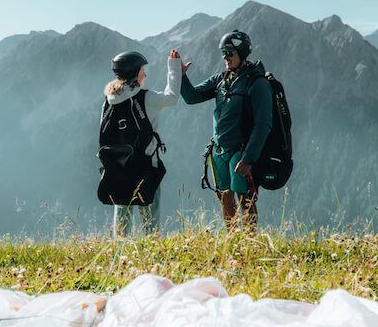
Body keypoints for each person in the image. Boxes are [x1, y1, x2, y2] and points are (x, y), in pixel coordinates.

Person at [179, 30, 272, 230]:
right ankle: (231, 240)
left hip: (241, 151)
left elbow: (263, 124)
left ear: (242, 53)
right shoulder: (221, 80)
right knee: (224, 195)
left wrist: (248, 158)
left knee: (245, 197)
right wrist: (181, 76)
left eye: (230, 53)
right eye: (223, 53)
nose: (225, 58)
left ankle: (250, 244)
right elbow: (192, 97)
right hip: (220, 149)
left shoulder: (257, 83)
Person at [103, 49, 182, 236]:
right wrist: (174, 67)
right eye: (141, 70)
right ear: (134, 73)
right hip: (146, 165)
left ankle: (119, 252)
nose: (145, 73)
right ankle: (151, 250)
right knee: (150, 213)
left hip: (119, 166)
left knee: (122, 212)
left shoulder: (109, 99)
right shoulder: (146, 97)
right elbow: (172, 98)